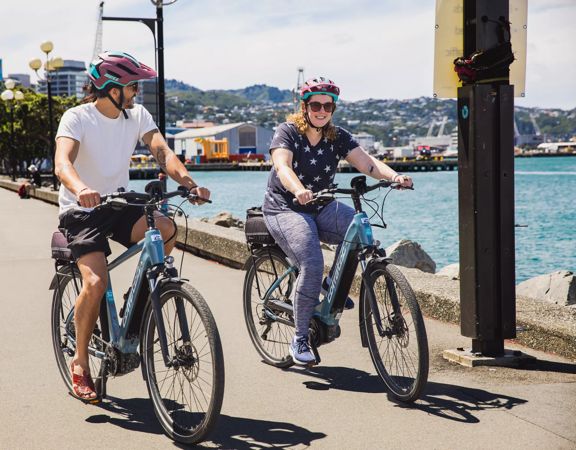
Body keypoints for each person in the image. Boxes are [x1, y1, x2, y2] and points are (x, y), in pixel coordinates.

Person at [54, 51, 210, 402]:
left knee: (166, 229)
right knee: (95, 281)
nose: (136, 91)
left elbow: (162, 153)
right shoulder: (77, 118)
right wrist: (80, 188)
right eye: (131, 85)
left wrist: (188, 183)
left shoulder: (136, 115)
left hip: (120, 203)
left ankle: (138, 297)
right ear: (110, 88)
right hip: (83, 208)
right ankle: (80, 363)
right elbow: (62, 162)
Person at [262, 77, 413, 365]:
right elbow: (281, 165)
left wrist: (394, 177)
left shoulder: (337, 136)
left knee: (361, 232)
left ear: (333, 109)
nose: (321, 110)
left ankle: (332, 284)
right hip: (285, 208)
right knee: (312, 262)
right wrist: (297, 189)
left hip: (320, 205)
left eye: (327, 106)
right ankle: (300, 337)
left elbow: (367, 163)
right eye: (316, 105)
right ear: (305, 107)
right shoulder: (288, 131)